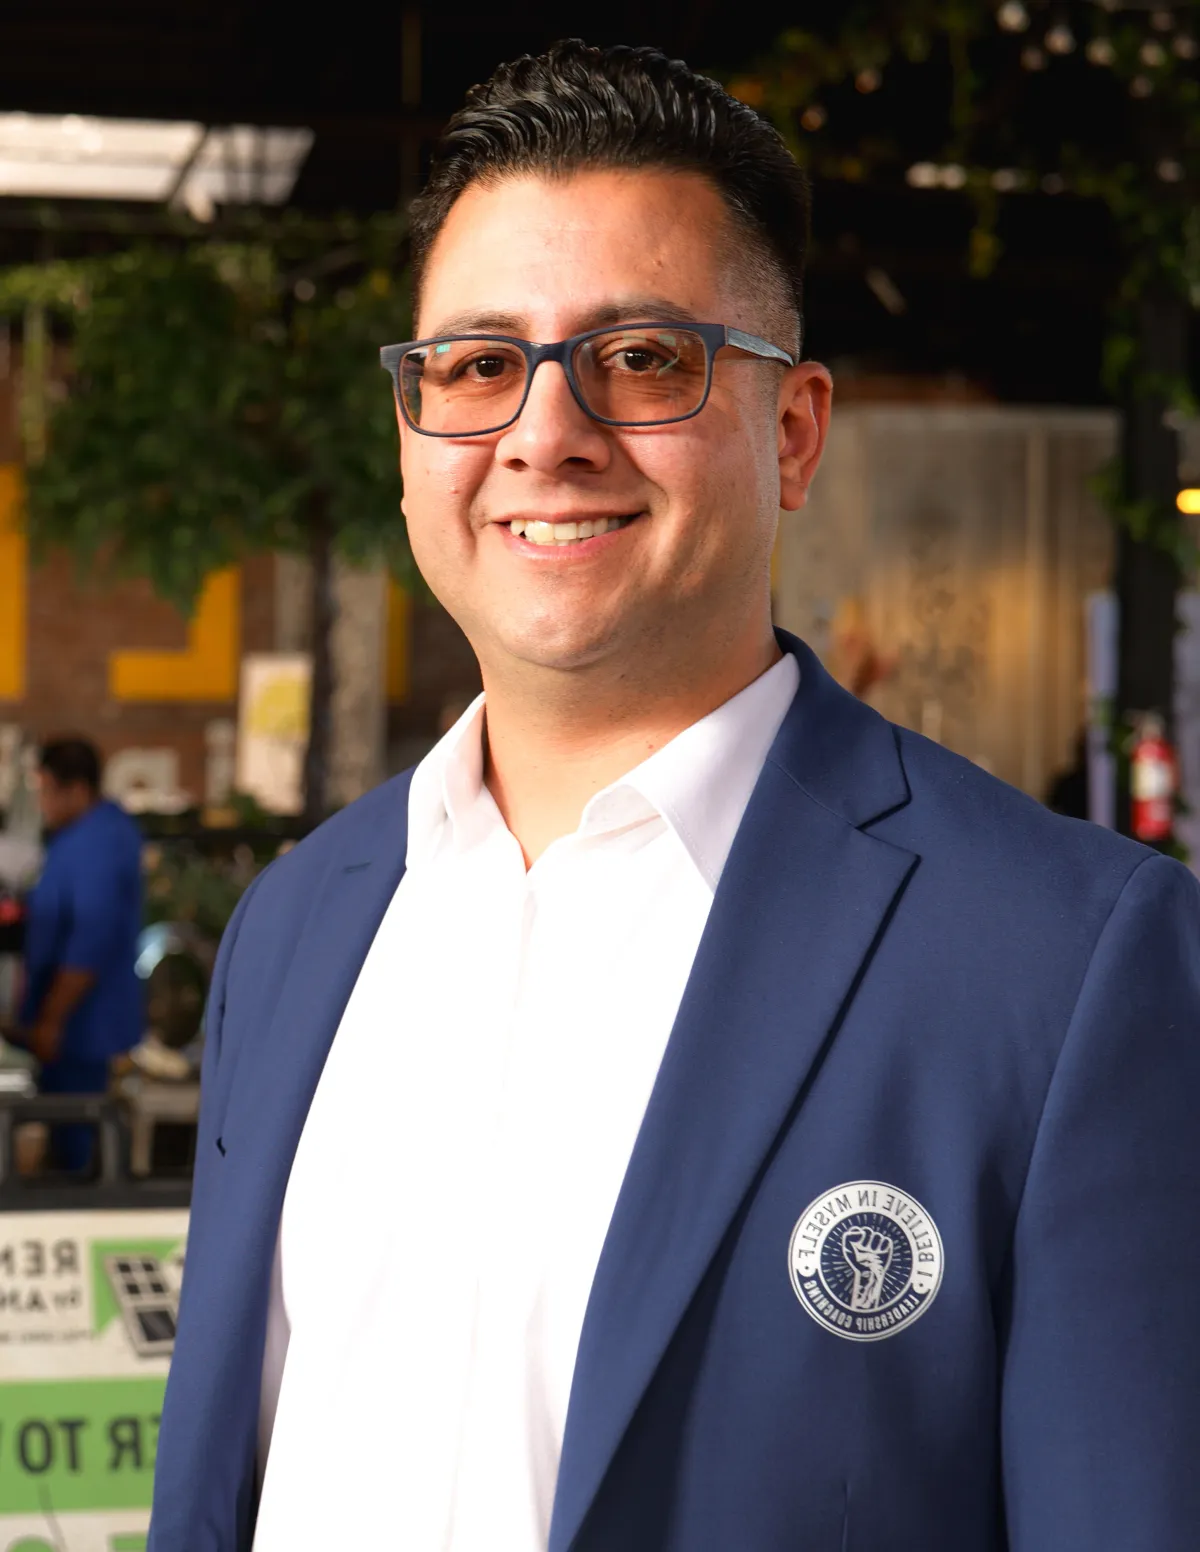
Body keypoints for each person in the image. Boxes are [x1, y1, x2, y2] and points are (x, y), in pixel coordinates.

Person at [152, 41, 1200, 1552]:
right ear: (410, 437)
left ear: (793, 432)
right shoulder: (299, 926)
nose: (544, 432)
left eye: (643, 358)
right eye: (479, 365)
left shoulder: (1067, 960)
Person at [17, 737, 143, 1169]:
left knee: (80, 1149)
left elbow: (89, 940)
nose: (41, 803)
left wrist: (52, 1019)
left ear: (76, 790)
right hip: (69, 1028)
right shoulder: (81, 837)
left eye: (46, 791)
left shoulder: (99, 843)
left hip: (83, 1029)